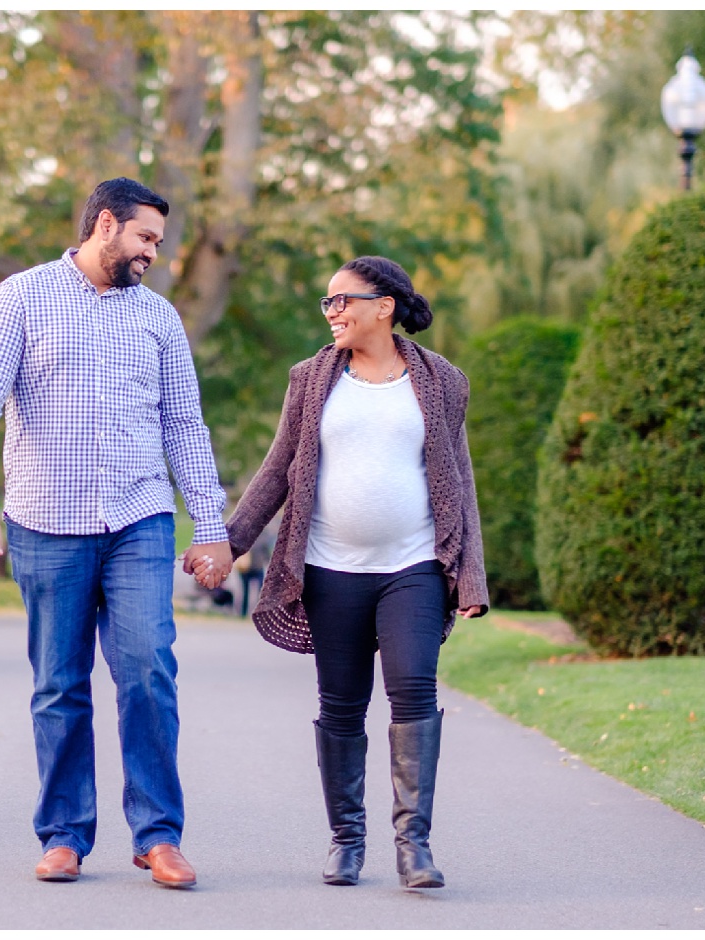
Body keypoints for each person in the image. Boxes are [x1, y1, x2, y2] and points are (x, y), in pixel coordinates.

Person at [0, 177, 232, 889]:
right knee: (59, 684)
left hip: (140, 518)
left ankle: (158, 836)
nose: (153, 254)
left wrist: (213, 525)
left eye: (159, 244)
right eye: (145, 238)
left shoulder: (159, 318)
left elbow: (184, 425)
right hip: (46, 520)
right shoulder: (22, 296)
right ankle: (65, 835)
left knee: (147, 669)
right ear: (105, 224)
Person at [195, 255, 489, 890]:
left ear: (383, 306)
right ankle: (346, 841)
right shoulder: (310, 379)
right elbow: (277, 469)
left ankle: (414, 847)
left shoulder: (442, 382)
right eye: (326, 303)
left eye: (342, 301)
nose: (331, 312)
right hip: (330, 569)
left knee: (414, 691)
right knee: (342, 704)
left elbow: (459, 483)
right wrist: (229, 543)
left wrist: (470, 579)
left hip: (412, 566)